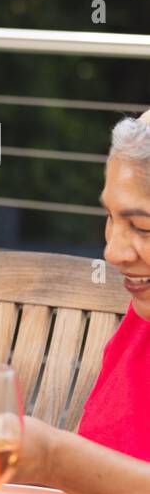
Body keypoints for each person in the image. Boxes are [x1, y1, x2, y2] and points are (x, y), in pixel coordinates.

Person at [76, 113, 150, 461]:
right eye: (111, 216)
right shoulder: (140, 323)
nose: (112, 253)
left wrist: (54, 459)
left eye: (142, 227)